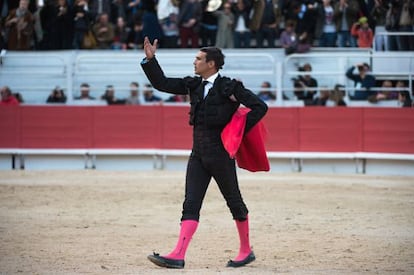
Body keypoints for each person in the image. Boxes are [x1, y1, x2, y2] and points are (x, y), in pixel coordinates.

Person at [141, 36, 268, 269]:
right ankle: (178, 254)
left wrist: (236, 130)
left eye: (198, 59)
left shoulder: (230, 87)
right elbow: (162, 83)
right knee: (191, 203)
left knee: (234, 201)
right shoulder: (194, 85)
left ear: (211, 64)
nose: (194, 62)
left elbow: (260, 106)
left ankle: (246, 250)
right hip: (198, 154)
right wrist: (151, 60)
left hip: (221, 154)